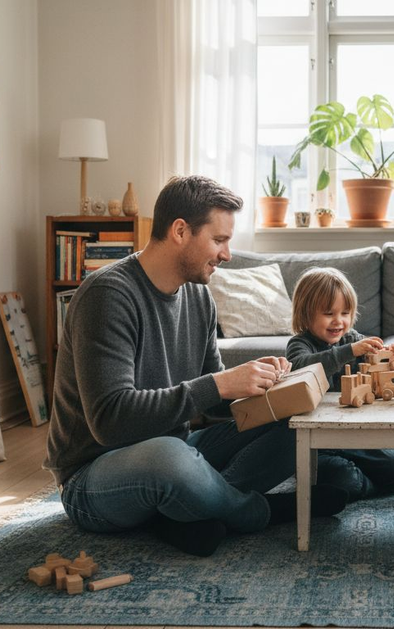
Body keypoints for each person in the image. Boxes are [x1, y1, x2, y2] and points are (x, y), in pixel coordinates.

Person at [45, 175, 347, 558]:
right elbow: (110, 421)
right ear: (180, 231)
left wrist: (264, 385)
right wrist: (221, 383)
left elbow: (213, 405)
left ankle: (194, 509)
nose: (227, 254)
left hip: (180, 448)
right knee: (169, 459)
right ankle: (256, 511)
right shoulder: (108, 296)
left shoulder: (199, 297)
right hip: (94, 477)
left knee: (294, 415)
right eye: (219, 240)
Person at [285, 267, 394, 501]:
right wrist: (348, 352)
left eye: (345, 313)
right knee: (344, 480)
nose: (339, 321)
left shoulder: (353, 338)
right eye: (329, 313)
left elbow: (389, 369)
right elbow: (300, 366)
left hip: (353, 438)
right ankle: (383, 486)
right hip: (317, 445)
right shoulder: (300, 344)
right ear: (306, 314)